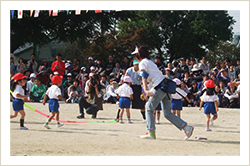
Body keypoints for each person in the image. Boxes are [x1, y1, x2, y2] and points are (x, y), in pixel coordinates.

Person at [133, 46, 194, 140]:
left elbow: (144, 77)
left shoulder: (142, 63)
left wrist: (145, 90)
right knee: (167, 113)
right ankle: (186, 127)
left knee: (148, 108)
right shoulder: (150, 62)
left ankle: (151, 132)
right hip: (166, 86)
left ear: (139, 54)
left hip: (159, 87)